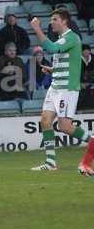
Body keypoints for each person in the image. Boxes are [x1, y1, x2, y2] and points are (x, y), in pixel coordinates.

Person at [29, 9, 92, 173]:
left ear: (64, 21)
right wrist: (52, 70)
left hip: (66, 89)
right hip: (55, 86)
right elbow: (65, 62)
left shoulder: (71, 38)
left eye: (55, 19)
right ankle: (50, 163)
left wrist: (36, 29)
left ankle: (92, 142)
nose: (52, 22)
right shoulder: (62, 39)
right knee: (45, 121)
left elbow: (51, 48)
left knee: (65, 126)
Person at [77, 44, 94, 110]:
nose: (86, 52)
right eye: (84, 51)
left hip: (91, 82)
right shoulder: (77, 59)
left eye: (88, 51)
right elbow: (75, 73)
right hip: (79, 83)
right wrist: (80, 83)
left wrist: (89, 83)